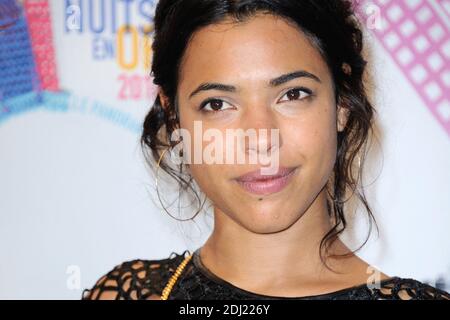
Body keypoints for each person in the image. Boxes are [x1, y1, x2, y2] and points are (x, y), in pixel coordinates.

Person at [82, 0, 450, 300]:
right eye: (217, 104)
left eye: (292, 94)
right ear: (174, 117)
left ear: (342, 102)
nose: (260, 139)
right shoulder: (129, 293)